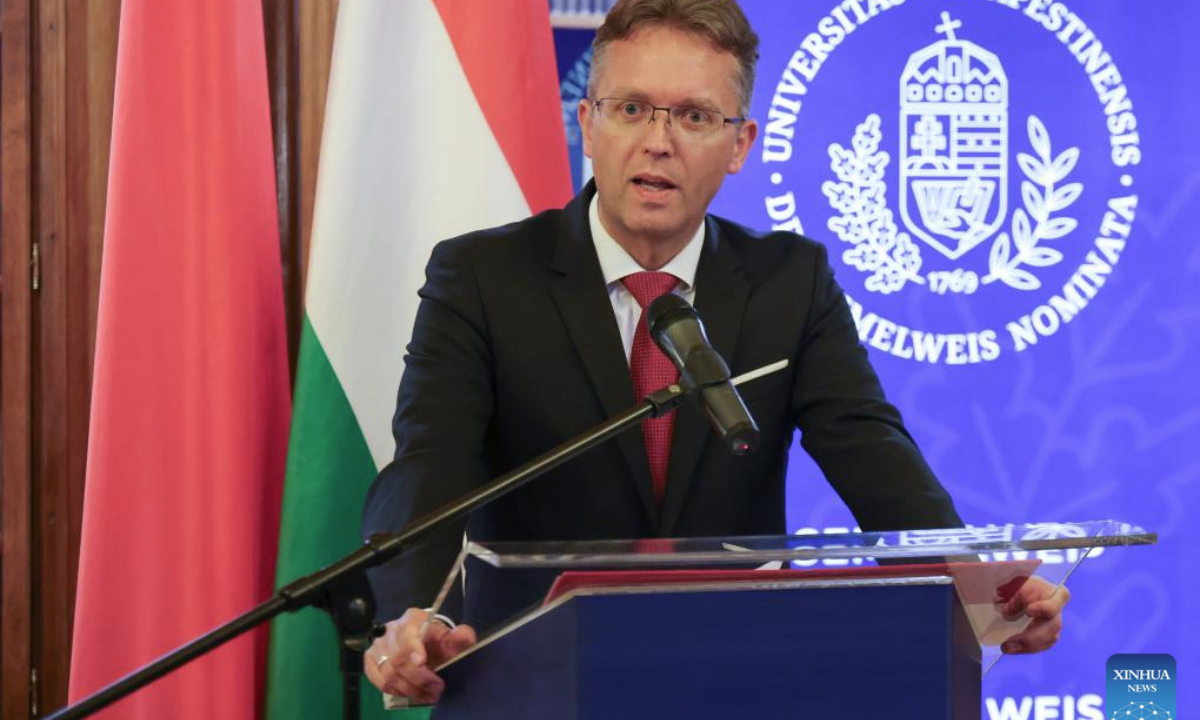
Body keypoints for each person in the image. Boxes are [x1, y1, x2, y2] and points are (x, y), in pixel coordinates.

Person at [361, 0, 1068, 705]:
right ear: (589, 122)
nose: (658, 141)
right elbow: (430, 464)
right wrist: (419, 613)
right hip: (531, 684)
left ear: (740, 145)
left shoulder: (789, 283)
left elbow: (874, 455)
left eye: (694, 116)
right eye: (632, 108)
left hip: (732, 680)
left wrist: (983, 594)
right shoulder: (484, 277)